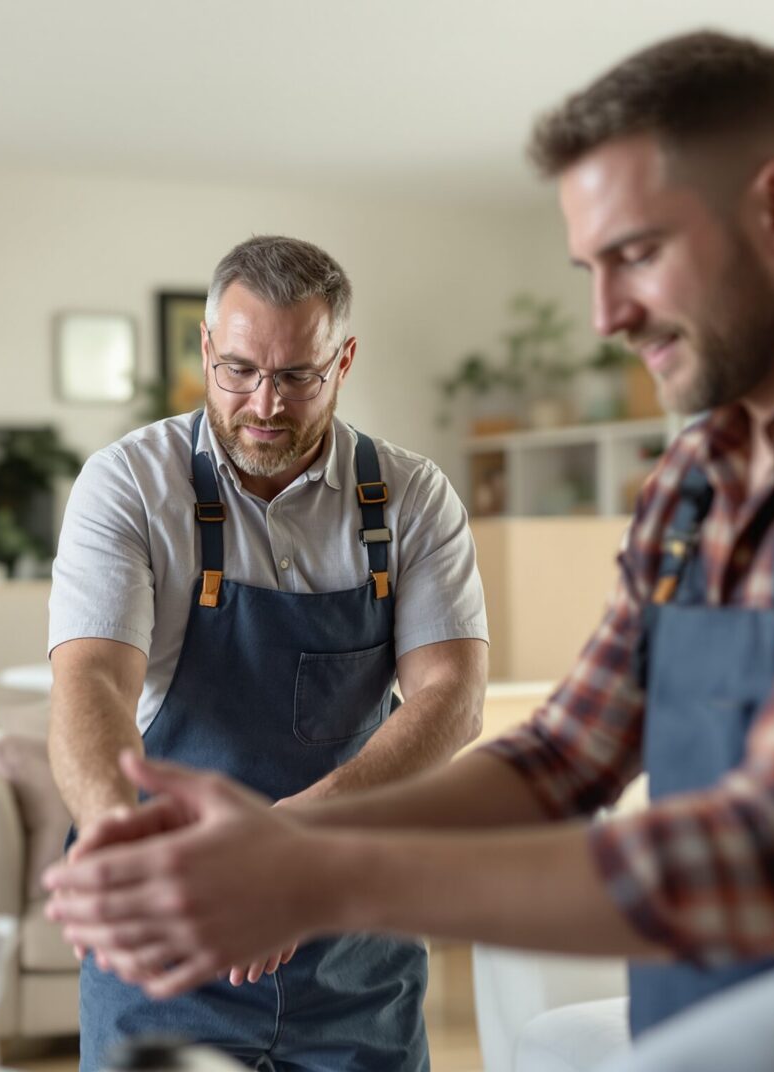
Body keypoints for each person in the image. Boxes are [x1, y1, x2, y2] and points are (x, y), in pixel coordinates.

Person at [45, 29, 774, 1045]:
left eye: (636, 253)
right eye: (591, 267)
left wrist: (325, 874)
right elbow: (560, 758)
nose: (606, 315)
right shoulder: (696, 480)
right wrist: (280, 854)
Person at [45, 234, 490, 1070]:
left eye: (296, 377)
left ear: (343, 360)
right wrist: (118, 843)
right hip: (172, 952)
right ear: (207, 349)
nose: (265, 405)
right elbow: (93, 679)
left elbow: (451, 699)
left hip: (355, 947)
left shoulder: (411, 497)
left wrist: (283, 844)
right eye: (240, 370)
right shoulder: (130, 485)